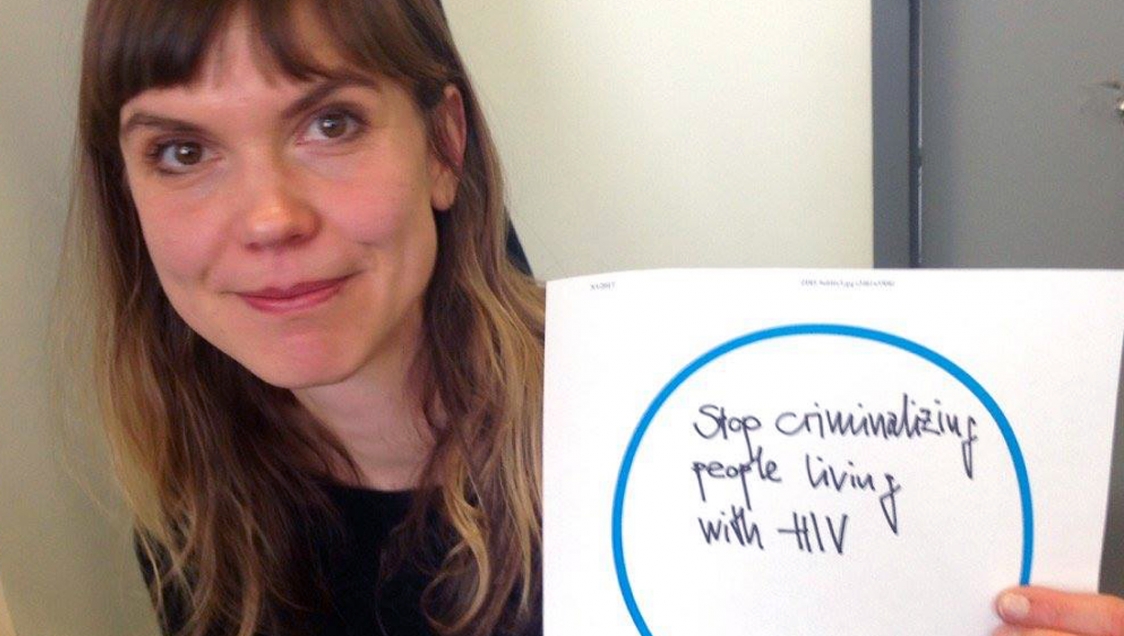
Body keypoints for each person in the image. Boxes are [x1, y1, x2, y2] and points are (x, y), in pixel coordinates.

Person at [64, 0, 1123, 635]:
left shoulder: (699, 449)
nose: (269, 218)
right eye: (181, 151)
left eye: (329, 122)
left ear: (442, 147)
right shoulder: (198, 523)